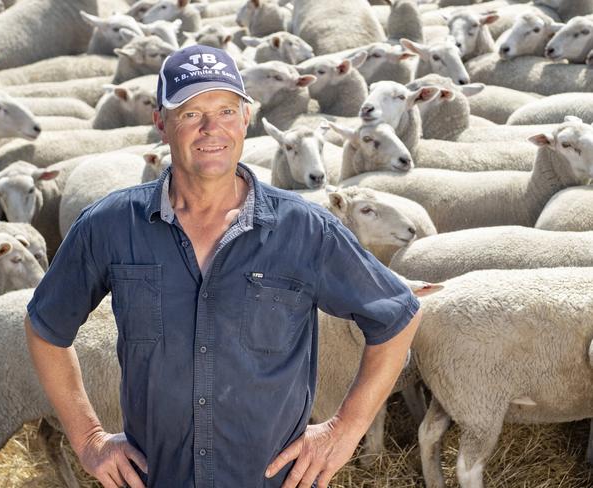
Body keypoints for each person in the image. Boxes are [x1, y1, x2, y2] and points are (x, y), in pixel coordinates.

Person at [25, 44, 422, 488]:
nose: (212, 129)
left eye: (227, 111)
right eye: (192, 114)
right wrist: (90, 440)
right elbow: (44, 328)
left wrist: (342, 431)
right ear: (161, 121)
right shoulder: (111, 225)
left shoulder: (303, 228)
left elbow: (397, 316)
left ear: (246, 117)